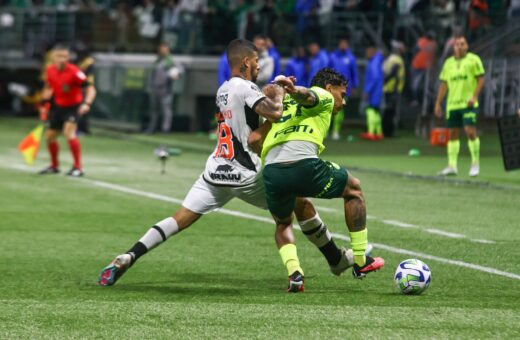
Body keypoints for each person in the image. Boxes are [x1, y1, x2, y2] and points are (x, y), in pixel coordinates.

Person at [99, 39, 361, 292]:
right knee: (297, 205)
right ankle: (328, 262)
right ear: (246, 62)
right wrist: (279, 93)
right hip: (247, 173)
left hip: (215, 171)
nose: (259, 67)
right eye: (257, 61)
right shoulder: (244, 87)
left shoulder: (222, 89)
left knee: (177, 219)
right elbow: (274, 114)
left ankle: (129, 255)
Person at [256, 69, 385, 279]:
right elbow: (308, 95)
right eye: (342, 95)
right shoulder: (322, 95)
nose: (343, 102)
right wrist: (294, 89)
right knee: (353, 189)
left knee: (287, 219)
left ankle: (296, 272)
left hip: (271, 171)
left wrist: (286, 91)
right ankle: (360, 261)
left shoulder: (282, 103)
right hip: (303, 165)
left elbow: (254, 140)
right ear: (329, 88)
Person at [39, 44, 96, 177]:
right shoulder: (50, 70)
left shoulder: (75, 72)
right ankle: (54, 166)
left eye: (65, 56)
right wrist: (44, 103)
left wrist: (87, 103)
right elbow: (49, 87)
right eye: (59, 56)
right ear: (52, 57)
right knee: (50, 137)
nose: (62, 59)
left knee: (68, 132)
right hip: (58, 107)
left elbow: (91, 88)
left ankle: (78, 167)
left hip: (73, 107)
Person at [435, 36, 485, 177]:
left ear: (467, 46)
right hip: (452, 104)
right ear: (453, 47)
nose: (459, 46)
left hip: (468, 103)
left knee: (470, 131)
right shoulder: (448, 63)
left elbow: (481, 79)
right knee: (452, 134)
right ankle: (452, 166)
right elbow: (444, 84)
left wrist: (474, 96)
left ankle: (475, 163)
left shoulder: (474, 60)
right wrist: (438, 102)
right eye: (457, 44)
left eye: (462, 44)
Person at [145, 42, 183, 134]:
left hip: (165, 88)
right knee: (154, 110)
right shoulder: (158, 60)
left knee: (166, 109)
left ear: (167, 49)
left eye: (164, 48)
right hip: (155, 88)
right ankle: (152, 128)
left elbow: (180, 69)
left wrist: (176, 74)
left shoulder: (170, 60)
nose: (162, 50)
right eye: (161, 49)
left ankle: (165, 129)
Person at [328, 36, 359, 140]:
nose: (343, 45)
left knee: (340, 110)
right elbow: (327, 71)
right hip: (332, 88)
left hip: (344, 89)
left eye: (345, 43)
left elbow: (354, 73)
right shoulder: (333, 56)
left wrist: (355, 86)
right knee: (328, 109)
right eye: (342, 43)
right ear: (339, 44)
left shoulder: (351, 58)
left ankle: (336, 132)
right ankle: (326, 131)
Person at [361, 45, 384, 140]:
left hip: (373, 91)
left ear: (372, 51)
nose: (366, 54)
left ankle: (371, 132)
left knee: (370, 110)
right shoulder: (377, 61)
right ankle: (379, 132)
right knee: (376, 111)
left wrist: (367, 90)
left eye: (368, 51)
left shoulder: (374, 62)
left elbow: (374, 78)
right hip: (378, 90)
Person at [382, 40, 405, 137]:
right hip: (393, 89)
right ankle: (388, 132)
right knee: (390, 111)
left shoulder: (389, 59)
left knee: (387, 111)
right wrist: (388, 81)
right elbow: (393, 73)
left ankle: (385, 130)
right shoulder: (397, 60)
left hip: (387, 88)